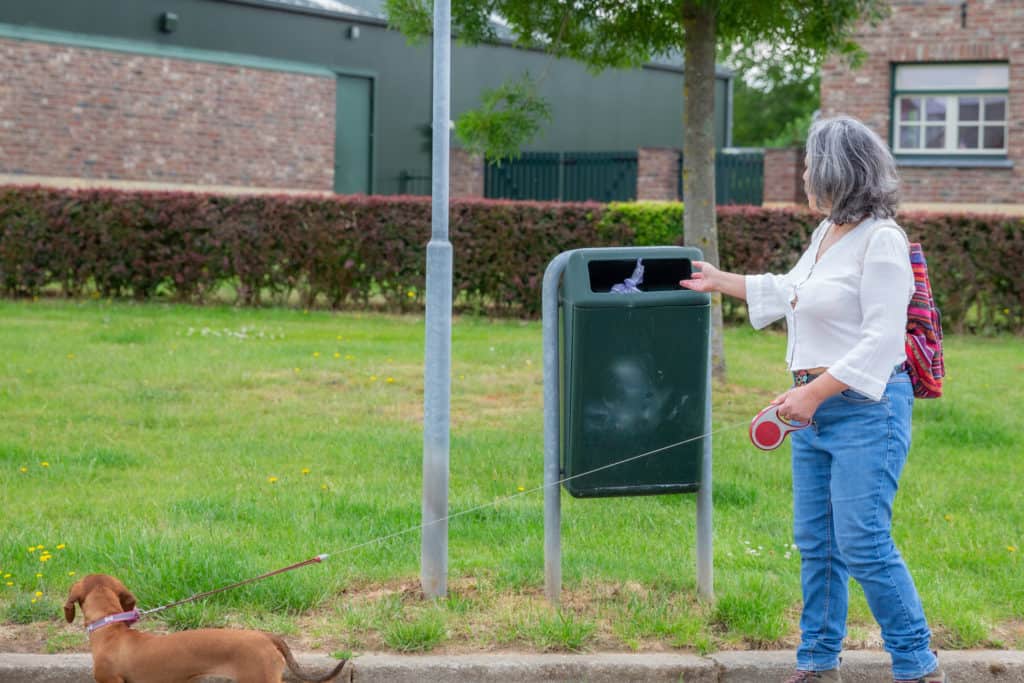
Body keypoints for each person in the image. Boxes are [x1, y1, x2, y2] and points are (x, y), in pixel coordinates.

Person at [679, 116, 946, 683]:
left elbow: (882, 338)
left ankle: (918, 666)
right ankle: (817, 663)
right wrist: (719, 279)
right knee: (818, 544)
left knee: (863, 542)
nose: (803, 176)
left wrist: (814, 392)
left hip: (866, 410)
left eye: (809, 166)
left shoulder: (883, 240)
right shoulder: (827, 233)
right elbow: (793, 290)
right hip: (815, 409)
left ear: (837, 173)